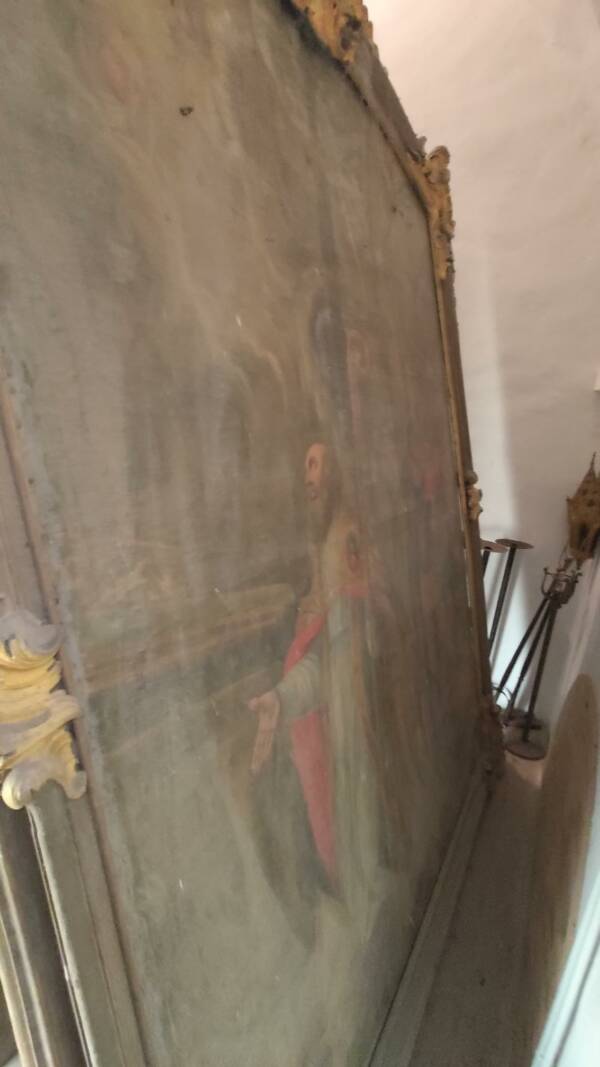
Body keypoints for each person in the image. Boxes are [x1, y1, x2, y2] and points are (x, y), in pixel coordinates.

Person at [249, 441, 394, 923]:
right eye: (304, 467)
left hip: (347, 710)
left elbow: (338, 646)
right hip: (329, 705)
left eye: (315, 466)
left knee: (352, 808)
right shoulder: (326, 536)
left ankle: (361, 904)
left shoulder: (346, 538)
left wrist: (286, 695)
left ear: (335, 473)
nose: (307, 478)